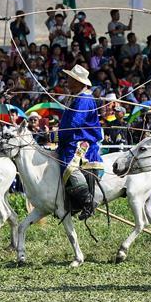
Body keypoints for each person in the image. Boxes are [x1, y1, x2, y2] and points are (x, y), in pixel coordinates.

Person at [57, 64, 103, 220]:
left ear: (77, 82)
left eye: (70, 78)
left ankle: (87, 201)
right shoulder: (76, 97)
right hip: (72, 137)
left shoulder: (84, 99)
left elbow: (74, 124)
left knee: (69, 164)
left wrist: (56, 136)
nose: (67, 81)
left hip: (80, 140)